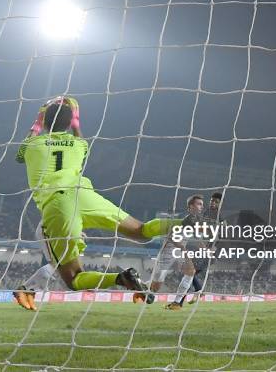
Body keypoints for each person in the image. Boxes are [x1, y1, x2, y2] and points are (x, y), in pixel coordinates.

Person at [15, 97, 181, 301]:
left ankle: (121, 278)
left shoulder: (33, 144)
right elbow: (81, 141)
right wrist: (76, 124)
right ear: (70, 123)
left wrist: (37, 123)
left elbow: (20, 154)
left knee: (74, 279)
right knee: (142, 232)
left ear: (44, 122)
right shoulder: (79, 144)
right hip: (83, 195)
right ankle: (189, 221)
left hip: (57, 204)